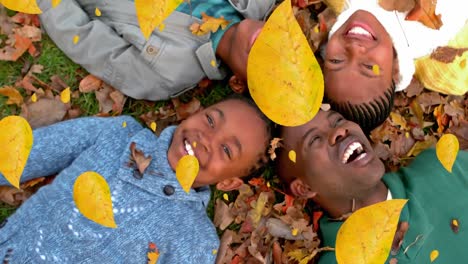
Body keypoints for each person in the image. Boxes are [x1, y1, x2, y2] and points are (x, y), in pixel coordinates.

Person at [0, 96, 273, 263]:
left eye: (226, 150)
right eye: (211, 120)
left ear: (228, 183)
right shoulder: (118, 134)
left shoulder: (197, 241)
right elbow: (28, 153)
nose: (207, 139)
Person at [277, 109, 468, 263]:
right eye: (315, 139)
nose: (339, 131)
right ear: (305, 188)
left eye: (337, 120)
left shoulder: (442, 166)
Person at [35, 0, 275, 100]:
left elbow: (80, 37)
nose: (272, 49)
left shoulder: (167, 75)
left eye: (271, 68)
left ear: (238, 83)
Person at [322, 0, 467, 132]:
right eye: (369, 66)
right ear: (395, 70)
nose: (354, 48)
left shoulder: (344, 4)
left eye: (336, 61)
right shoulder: (432, 32)